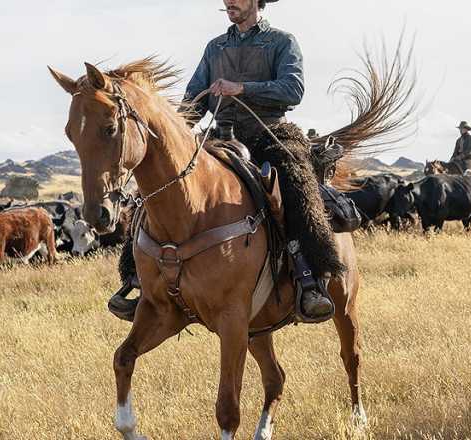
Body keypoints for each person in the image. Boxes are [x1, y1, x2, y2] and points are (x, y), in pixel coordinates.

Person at [108, 0, 337, 323]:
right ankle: (138, 281)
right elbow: (192, 102)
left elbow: (293, 89)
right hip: (222, 137)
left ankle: (309, 278)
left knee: (294, 181)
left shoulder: (282, 42)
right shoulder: (215, 48)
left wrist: (241, 88)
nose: (229, 1)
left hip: (269, 134)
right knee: (162, 186)